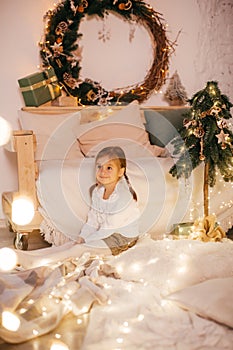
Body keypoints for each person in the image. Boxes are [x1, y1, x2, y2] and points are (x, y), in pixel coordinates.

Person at [77, 146, 140, 255]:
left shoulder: (123, 197)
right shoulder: (98, 192)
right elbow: (93, 220)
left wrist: (86, 242)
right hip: (106, 232)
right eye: (99, 166)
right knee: (76, 246)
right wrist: (82, 237)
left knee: (82, 250)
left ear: (120, 172)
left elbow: (109, 228)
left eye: (109, 168)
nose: (102, 172)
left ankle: (48, 260)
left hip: (122, 238)